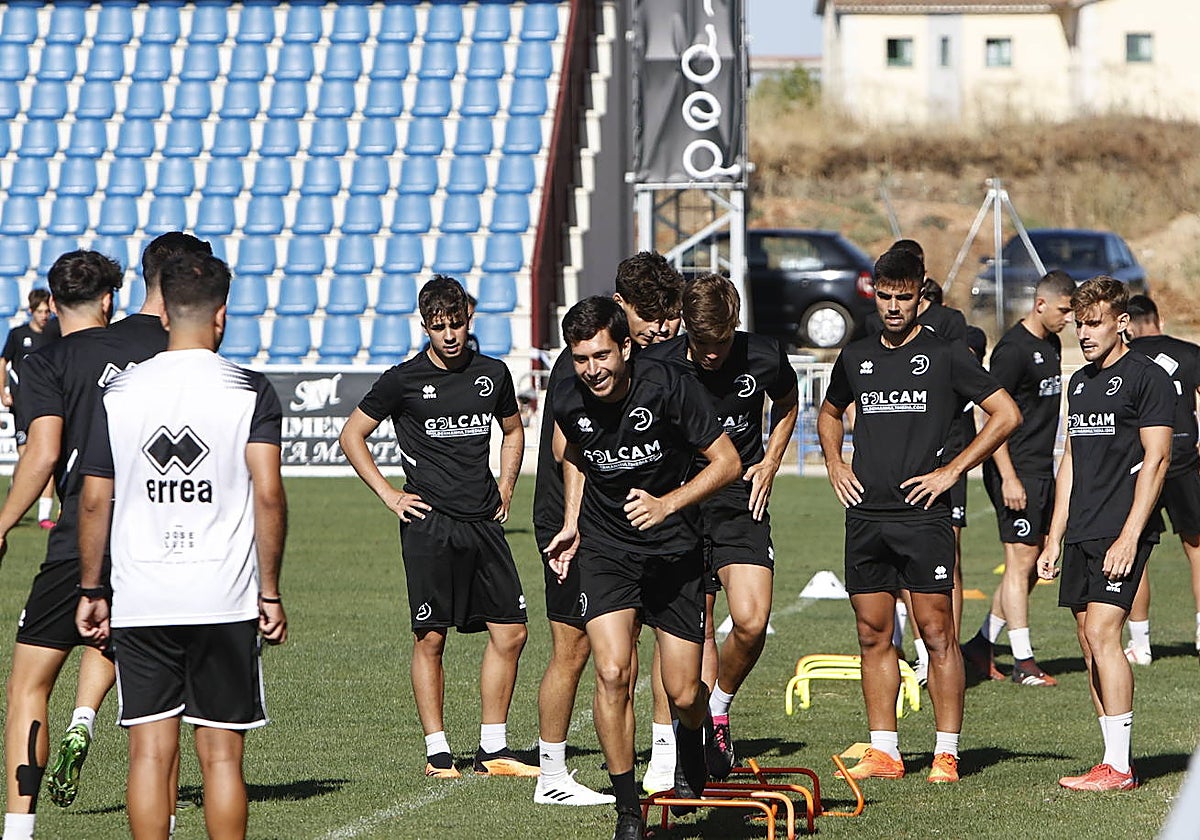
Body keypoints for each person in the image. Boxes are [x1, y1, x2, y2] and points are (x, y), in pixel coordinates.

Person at [74, 250, 287, 840]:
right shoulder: (248, 389)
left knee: (149, 754)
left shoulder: (120, 392)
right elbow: (268, 495)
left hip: (142, 596)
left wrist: (93, 587)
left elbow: (95, 499)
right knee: (221, 758)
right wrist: (269, 591)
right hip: (225, 596)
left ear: (163, 312)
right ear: (221, 315)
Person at [817, 248, 1020, 784]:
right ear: (873, 293)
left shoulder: (948, 354)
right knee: (871, 633)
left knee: (937, 633)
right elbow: (830, 411)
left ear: (921, 293)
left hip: (923, 515)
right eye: (884, 296)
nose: (892, 307)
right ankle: (884, 751)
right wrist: (836, 462)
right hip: (865, 515)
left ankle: (946, 752)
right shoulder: (856, 355)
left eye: (903, 297)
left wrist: (953, 470)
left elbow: (1006, 414)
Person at [545, 295, 740, 840]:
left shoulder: (671, 387)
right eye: (581, 359)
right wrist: (572, 522)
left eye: (602, 356)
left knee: (682, 693)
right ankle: (628, 809)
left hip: (675, 548)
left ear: (626, 347)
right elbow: (577, 456)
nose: (592, 371)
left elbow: (728, 462)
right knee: (612, 671)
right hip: (607, 549)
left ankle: (694, 743)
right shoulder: (567, 395)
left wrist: (667, 504)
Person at [44, 232, 214, 814]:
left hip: (88, 524)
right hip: (168, 527)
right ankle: (88, 718)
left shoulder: (94, 344)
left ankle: (77, 730)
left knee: (86, 637)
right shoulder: (186, 348)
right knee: (168, 693)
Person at [339, 276, 535, 779]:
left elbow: (512, 432)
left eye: (455, 325)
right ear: (425, 325)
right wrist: (389, 494)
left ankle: (493, 750)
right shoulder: (401, 379)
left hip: (483, 521)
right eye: (437, 327)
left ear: (469, 321)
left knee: (511, 632)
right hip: (430, 525)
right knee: (431, 636)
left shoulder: (493, 373)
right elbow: (352, 435)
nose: (448, 336)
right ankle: (438, 751)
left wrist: (507, 488)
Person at [0, 251, 161, 839]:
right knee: (147, 682)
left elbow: (42, 455)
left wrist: (2, 524)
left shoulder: (45, 361)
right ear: (109, 300)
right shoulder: (148, 352)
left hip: (78, 540)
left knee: (28, 683)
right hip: (150, 538)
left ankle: (18, 830)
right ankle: (96, 730)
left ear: (52, 299)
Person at [531, 252, 683, 806]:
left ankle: (665, 760)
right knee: (573, 649)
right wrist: (571, 522)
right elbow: (564, 453)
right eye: (650, 314)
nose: (662, 326)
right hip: (570, 519)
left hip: (633, 522)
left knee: (655, 642)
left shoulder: (650, 370)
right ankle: (552, 773)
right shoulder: (586, 369)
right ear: (621, 310)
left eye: (669, 314)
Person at [643, 274, 798, 778]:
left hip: (738, 499)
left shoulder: (764, 355)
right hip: (679, 503)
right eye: (702, 343)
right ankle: (675, 751)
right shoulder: (659, 365)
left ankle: (718, 705)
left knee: (751, 621)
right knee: (694, 628)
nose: (713, 354)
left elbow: (788, 402)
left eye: (723, 342)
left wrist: (771, 461)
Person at [1036, 277, 1173, 791]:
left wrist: (1130, 535)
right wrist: (1054, 537)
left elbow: (1157, 460)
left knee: (1101, 634)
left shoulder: (1146, 378)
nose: (1084, 333)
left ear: (1121, 323)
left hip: (1123, 529)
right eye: (1079, 323)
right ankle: (1110, 759)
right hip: (1082, 531)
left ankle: (1120, 768)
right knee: (1088, 643)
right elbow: (1070, 458)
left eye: (1094, 323)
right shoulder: (1080, 382)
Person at [961, 270, 1076, 686]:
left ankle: (980, 644)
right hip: (1014, 471)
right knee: (1021, 560)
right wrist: (1007, 476)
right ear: (1040, 303)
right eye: (1065, 310)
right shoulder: (1011, 350)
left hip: (1040, 468)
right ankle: (1023, 662)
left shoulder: (1053, 343)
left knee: (1030, 563)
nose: (1069, 319)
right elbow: (991, 413)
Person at [1117, 294, 1200, 665]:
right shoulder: (1189, 352)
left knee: (1135, 550)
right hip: (1184, 459)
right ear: (1159, 320)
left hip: (1142, 465)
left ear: (1128, 325)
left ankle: (1141, 643)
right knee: (1196, 549)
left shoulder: (1128, 359)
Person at [1, 289, 61, 528]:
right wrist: (3, 391)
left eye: (47, 311)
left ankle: (44, 515)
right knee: (26, 456)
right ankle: (16, 497)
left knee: (47, 453)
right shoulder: (18, 335)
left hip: (46, 403)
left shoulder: (54, 335)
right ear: (31, 312)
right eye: (40, 312)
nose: (44, 316)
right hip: (22, 404)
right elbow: (4, 360)